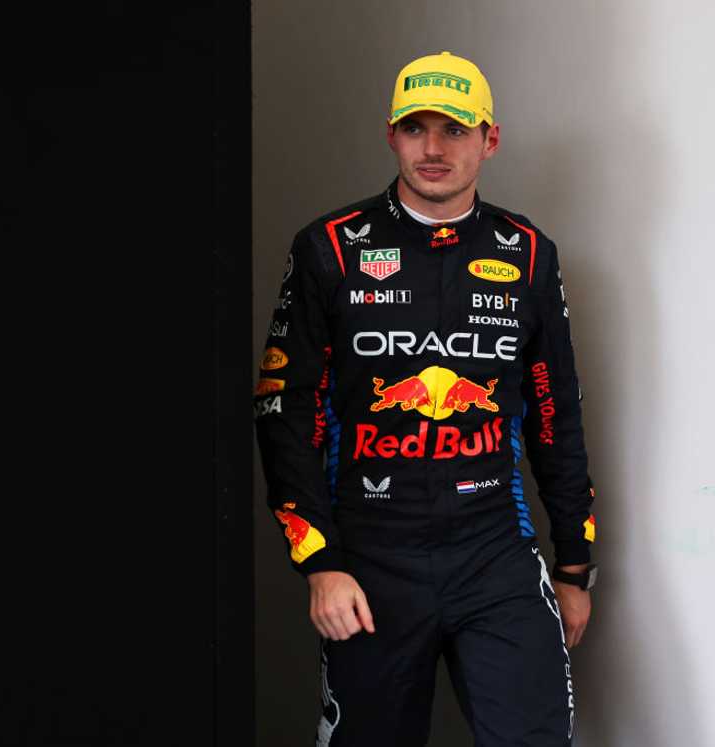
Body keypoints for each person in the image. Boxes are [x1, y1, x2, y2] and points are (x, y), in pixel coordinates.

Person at [253, 50, 598, 746]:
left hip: (495, 551)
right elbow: (285, 413)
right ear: (391, 134)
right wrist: (319, 562)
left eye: (454, 128)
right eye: (416, 128)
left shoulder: (530, 253)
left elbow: (556, 415)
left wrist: (572, 566)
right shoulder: (329, 249)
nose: (434, 148)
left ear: (489, 139)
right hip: (372, 556)